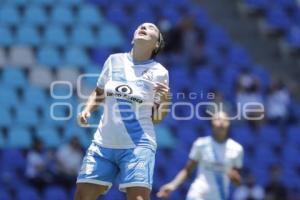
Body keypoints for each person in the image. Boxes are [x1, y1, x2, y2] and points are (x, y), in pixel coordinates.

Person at [75, 22, 170, 200]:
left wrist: (165, 99)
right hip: (103, 143)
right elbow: (99, 92)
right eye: (141, 26)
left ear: (156, 44)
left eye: (151, 28)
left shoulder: (160, 72)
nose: (144, 27)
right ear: (133, 37)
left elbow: (156, 119)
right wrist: (87, 110)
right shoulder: (113, 60)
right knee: (82, 196)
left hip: (138, 145)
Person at [157, 111, 244, 200]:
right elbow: (187, 170)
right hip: (198, 194)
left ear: (229, 123)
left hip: (219, 196)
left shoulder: (237, 149)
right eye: (218, 119)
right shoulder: (201, 144)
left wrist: (236, 180)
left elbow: (237, 181)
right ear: (212, 123)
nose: (221, 122)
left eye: (224, 120)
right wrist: (172, 185)